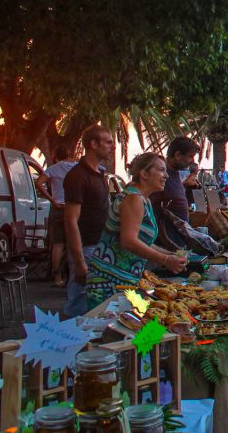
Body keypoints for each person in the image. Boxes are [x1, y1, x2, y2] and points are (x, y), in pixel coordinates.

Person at [85, 154, 187, 306]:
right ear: (144, 174)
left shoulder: (144, 199)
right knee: (118, 327)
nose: (166, 175)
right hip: (109, 280)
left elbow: (142, 241)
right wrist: (165, 260)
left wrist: (170, 254)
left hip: (124, 279)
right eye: (161, 170)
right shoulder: (134, 199)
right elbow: (129, 241)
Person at [63, 126, 115, 317]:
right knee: (79, 304)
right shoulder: (77, 176)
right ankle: (72, 343)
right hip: (86, 248)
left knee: (96, 306)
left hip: (100, 247)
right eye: (108, 142)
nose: (112, 147)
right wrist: (79, 261)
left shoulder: (99, 174)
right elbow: (70, 220)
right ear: (93, 144)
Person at [35, 145, 77, 287]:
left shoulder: (53, 169)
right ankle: (72, 277)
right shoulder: (77, 167)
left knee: (58, 244)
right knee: (73, 243)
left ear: (57, 156)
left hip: (58, 207)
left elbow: (39, 182)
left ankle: (57, 277)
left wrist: (52, 199)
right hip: (74, 208)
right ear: (70, 154)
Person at [150, 137, 200, 252]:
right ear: (177, 155)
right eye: (190, 156)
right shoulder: (162, 175)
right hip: (168, 245)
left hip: (178, 242)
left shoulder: (175, 173)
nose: (192, 160)